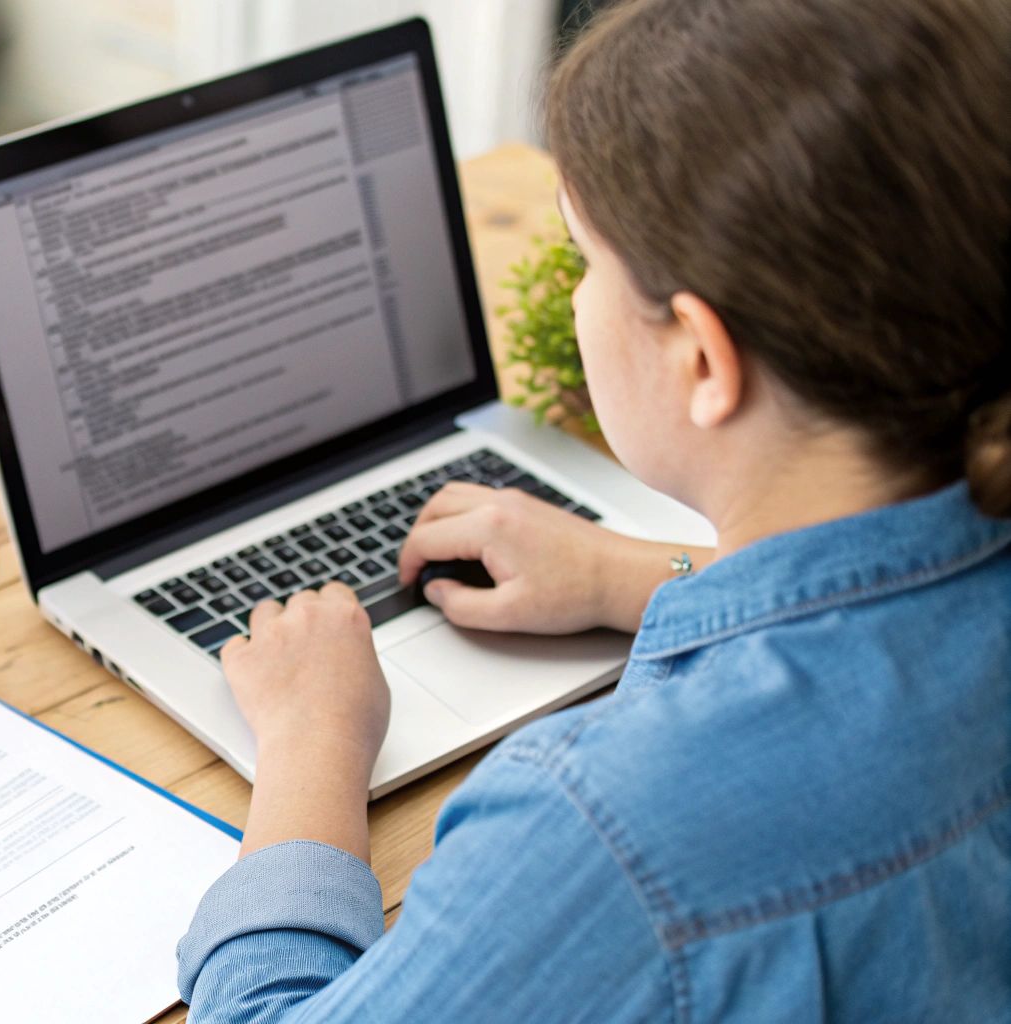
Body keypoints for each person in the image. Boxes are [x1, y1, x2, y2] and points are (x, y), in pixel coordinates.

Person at [174, 0, 1011, 1019]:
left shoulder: (605, 828)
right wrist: (633, 571)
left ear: (701, 359)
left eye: (584, 258)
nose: (574, 297)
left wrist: (312, 741)